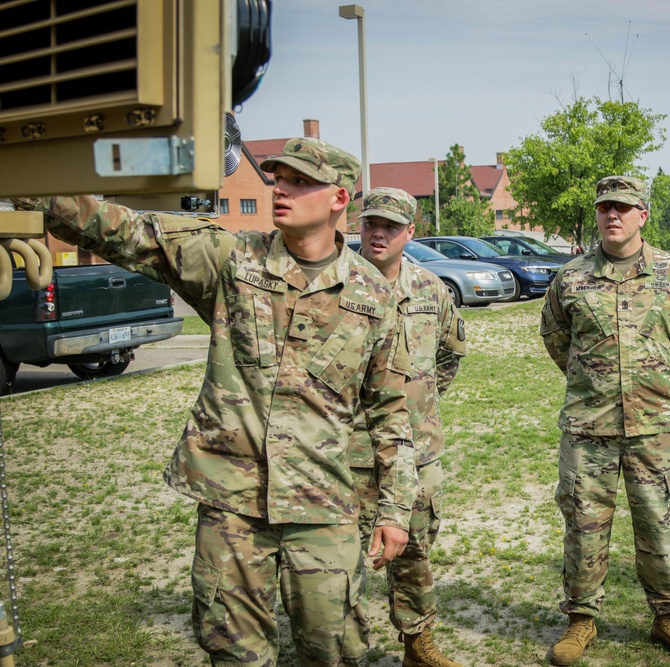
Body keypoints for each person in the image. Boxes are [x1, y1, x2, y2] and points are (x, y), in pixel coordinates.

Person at [13, 138, 415, 667]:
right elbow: (124, 230)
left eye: (299, 181)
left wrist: (396, 511)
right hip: (232, 505)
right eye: (277, 178)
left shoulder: (373, 298)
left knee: (335, 650)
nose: (281, 189)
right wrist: (26, 186)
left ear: (339, 198)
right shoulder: (231, 261)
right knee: (233, 653)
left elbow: (391, 410)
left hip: (323, 506)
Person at [539, 176, 670, 665]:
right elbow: (555, 338)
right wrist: (592, 381)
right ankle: (580, 620)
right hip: (587, 427)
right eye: (604, 207)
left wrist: (655, 382)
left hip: (655, 426)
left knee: (660, 524)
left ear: (643, 215)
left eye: (623, 207)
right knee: (583, 524)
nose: (612, 215)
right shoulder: (570, 277)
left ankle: (669, 619)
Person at [348, 187, 467, 667]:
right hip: (345, 450)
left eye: (391, 227)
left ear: (410, 233)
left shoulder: (430, 289)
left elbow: (452, 351)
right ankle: (339, 649)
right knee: (338, 561)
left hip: (416, 450)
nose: (379, 234)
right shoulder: (339, 284)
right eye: (371, 224)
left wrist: (416, 405)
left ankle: (418, 642)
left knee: (415, 550)